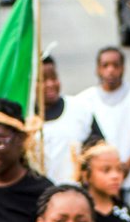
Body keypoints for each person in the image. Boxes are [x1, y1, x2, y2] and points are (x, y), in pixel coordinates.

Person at [75, 48, 130, 202]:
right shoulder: (85, 100)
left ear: (123, 68)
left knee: (122, 207)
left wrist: (128, 163)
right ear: (98, 69)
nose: (110, 70)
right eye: (105, 65)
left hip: (125, 169)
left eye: (115, 65)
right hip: (97, 174)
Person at [38, 55, 96, 185]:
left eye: (54, 78)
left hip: (76, 193)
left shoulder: (80, 108)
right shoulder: (25, 119)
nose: (50, 84)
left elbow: (99, 148)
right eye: (42, 80)